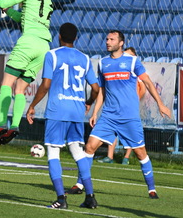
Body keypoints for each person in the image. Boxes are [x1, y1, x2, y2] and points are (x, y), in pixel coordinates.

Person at [70, 30, 171, 199]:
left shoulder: (132, 61)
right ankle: (80, 184)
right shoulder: (103, 63)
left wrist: (160, 104)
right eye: (107, 38)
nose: (108, 41)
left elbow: (147, 82)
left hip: (129, 117)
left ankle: (151, 189)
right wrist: (95, 112)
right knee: (90, 146)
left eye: (112, 39)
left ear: (121, 43)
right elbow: (102, 90)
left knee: (141, 153)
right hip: (109, 116)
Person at [26, 23, 100, 209]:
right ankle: (90, 197)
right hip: (76, 112)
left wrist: (33, 105)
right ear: (76, 38)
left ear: (59, 36)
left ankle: (61, 198)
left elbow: (45, 85)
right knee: (77, 152)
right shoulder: (84, 58)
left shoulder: (52, 55)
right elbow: (97, 89)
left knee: (53, 152)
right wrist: (89, 102)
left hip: (57, 110)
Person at [0, 0, 54, 145]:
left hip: (28, 42)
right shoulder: (48, 0)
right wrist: (5, 10)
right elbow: (22, 18)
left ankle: (1, 124)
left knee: (6, 84)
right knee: (20, 89)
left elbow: (6, 1)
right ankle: (14, 125)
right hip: (44, 47)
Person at [97, 47, 146, 165]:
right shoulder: (116, 69)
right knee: (111, 132)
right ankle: (110, 156)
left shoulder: (136, 74)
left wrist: (134, 99)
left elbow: (143, 88)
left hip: (129, 110)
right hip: (114, 109)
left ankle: (127, 157)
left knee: (130, 135)